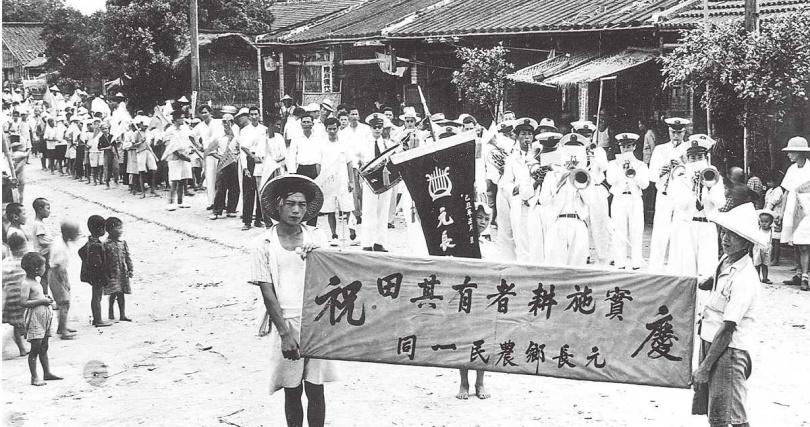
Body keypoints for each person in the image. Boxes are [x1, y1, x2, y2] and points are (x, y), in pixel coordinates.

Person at [249, 174, 336, 427]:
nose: (296, 210)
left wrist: (319, 257)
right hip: (286, 321)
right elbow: (267, 293)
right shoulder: (262, 244)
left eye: (301, 204)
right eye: (290, 204)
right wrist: (285, 334)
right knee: (292, 389)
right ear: (278, 205)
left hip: (317, 320)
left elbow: (333, 277)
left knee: (316, 388)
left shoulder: (316, 237)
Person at [692, 202, 764, 427]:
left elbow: (728, 327)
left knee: (731, 415)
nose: (726, 238)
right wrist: (707, 282)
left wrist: (704, 367)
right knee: (716, 411)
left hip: (728, 350)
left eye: (734, 235)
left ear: (747, 243)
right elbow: (716, 281)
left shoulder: (745, 278)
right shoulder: (726, 260)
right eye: (724, 232)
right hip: (711, 341)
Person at [667, 134, 725, 278]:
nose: (696, 161)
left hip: (707, 225)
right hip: (687, 225)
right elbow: (680, 204)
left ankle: (705, 299)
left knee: (708, 267)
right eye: (693, 158)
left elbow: (720, 203)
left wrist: (709, 187)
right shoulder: (681, 177)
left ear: (706, 158)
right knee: (687, 266)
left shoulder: (714, 175)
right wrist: (693, 187)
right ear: (687, 159)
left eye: (700, 157)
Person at [457, 201, 493, 400]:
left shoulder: (489, 246)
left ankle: (480, 383)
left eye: (486, 219)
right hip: (465, 296)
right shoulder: (463, 242)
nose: (483, 222)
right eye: (479, 217)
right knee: (462, 339)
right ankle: (463, 382)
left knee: (482, 341)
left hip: (483, 298)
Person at [648, 117, 691, 272]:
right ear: (669, 131)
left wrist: (683, 166)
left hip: (682, 197)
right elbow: (651, 175)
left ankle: (675, 270)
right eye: (673, 132)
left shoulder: (690, 149)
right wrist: (662, 172)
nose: (676, 136)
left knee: (679, 232)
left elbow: (694, 175)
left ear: (684, 132)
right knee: (660, 232)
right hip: (664, 194)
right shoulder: (660, 149)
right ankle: (654, 269)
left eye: (679, 133)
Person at [606, 133, 650, 270]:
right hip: (619, 198)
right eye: (623, 147)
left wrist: (633, 171)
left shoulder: (641, 165)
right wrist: (622, 168)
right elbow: (610, 180)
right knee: (619, 231)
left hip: (635, 198)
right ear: (619, 148)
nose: (626, 150)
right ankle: (620, 261)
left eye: (629, 146)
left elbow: (645, 184)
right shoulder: (613, 164)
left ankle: (636, 261)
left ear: (634, 147)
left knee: (636, 230)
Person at [20, 252, 62, 386]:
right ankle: (34, 377)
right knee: (35, 348)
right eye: (44, 266)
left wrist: (45, 298)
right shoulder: (26, 283)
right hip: (35, 318)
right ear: (36, 269)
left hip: (43, 317)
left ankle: (47, 372)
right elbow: (24, 302)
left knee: (44, 346)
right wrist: (41, 301)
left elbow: (37, 297)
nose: (46, 268)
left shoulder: (36, 282)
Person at [357, 113, 397, 252]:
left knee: (383, 210)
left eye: (380, 127)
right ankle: (367, 242)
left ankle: (380, 242)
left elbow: (395, 156)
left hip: (385, 179)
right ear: (370, 128)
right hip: (370, 181)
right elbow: (355, 160)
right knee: (369, 211)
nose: (377, 130)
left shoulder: (388, 144)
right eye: (375, 127)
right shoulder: (363, 144)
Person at [501, 118, 537, 262]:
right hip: (520, 202)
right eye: (523, 133)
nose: (527, 137)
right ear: (516, 136)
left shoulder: (539, 154)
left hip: (537, 201)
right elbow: (506, 182)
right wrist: (516, 189)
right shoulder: (512, 158)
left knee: (536, 240)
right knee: (521, 240)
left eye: (529, 134)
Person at [317, 117, 355, 246]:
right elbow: (318, 165)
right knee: (330, 210)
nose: (332, 131)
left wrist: (351, 181)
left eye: (334, 128)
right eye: (330, 129)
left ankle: (352, 234)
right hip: (328, 181)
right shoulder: (322, 145)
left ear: (338, 128)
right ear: (326, 130)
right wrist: (321, 181)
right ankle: (334, 235)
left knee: (348, 208)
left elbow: (350, 163)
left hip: (343, 180)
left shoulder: (345, 144)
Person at [779, 136, 810, 291]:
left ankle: (805, 277)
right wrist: (781, 211)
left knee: (804, 245)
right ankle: (798, 274)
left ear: (799, 152)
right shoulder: (791, 170)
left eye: (791, 152)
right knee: (796, 244)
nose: (788, 155)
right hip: (792, 209)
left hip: (806, 211)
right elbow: (785, 192)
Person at [287, 114, 324, 227]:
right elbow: (292, 156)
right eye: (304, 122)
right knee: (301, 197)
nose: (307, 124)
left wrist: (321, 172)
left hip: (314, 169)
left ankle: (312, 225)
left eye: (309, 122)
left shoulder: (318, 138)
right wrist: (292, 173)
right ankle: (300, 224)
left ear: (313, 124)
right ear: (301, 124)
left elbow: (322, 155)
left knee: (314, 197)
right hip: (301, 169)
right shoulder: (296, 138)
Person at [48, 218, 80, 339]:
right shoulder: (60, 247)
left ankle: (62, 327)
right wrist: (65, 283)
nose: (77, 235)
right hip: (57, 275)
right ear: (68, 233)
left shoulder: (59, 240)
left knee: (63, 303)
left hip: (58, 273)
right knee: (64, 303)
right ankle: (63, 331)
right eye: (76, 232)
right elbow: (58, 268)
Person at [78, 215, 111, 327]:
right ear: (101, 229)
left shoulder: (90, 242)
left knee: (96, 296)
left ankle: (96, 318)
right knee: (97, 297)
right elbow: (98, 263)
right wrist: (103, 275)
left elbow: (81, 251)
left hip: (93, 275)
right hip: (97, 275)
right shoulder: (96, 245)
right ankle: (98, 320)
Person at [239, 107, 268, 230]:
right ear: (249, 116)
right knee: (248, 192)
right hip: (250, 159)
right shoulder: (245, 130)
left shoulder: (264, 129)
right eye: (252, 114)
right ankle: (247, 221)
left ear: (259, 115)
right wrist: (245, 168)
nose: (254, 116)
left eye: (256, 114)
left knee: (261, 190)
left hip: (261, 160)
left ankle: (259, 219)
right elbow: (243, 150)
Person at [209, 114, 241, 220]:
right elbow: (211, 151)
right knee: (220, 187)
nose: (227, 124)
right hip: (223, 163)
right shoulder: (218, 136)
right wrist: (221, 157)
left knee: (234, 187)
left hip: (234, 163)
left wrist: (236, 157)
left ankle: (231, 209)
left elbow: (242, 149)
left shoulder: (237, 137)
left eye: (229, 122)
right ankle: (217, 211)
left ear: (232, 123)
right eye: (224, 122)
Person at [161, 111, 194, 211]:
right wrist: (182, 156)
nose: (182, 120)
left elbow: (188, 141)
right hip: (175, 158)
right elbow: (171, 147)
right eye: (180, 118)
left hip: (185, 156)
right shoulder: (170, 131)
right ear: (175, 120)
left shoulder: (184, 129)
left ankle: (180, 201)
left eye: (183, 118)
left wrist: (189, 151)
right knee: (175, 181)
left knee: (184, 180)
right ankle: (170, 202)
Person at [3, 233, 29, 356]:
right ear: (22, 248)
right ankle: (23, 343)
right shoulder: (25, 263)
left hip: (9, 299)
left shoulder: (5, 263)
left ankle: (21, 348)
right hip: (21, 298)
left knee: (16, 324)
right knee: (22, 322)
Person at [103, 217, 132, 321]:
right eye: (118, 228)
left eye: (121, 228)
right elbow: (104, 260)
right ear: (110, 230)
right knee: (113, 292)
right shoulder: (105, 244)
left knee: (121, 293)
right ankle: (111, 310)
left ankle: (122, 314)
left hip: (122, 273)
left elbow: (127, 257)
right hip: (112, 273)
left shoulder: (122, 243)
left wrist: (130, 269)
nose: (121, 230)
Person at [31, 198, 54, 294]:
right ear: (40, 209)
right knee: (45, 278)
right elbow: (41, 241)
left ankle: (44, 296)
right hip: (44, 255)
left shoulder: (38, 223)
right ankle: (45, 296)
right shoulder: (39, 225)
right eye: (47, 208)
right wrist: (54, 243)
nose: (49, 211)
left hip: (43, 254)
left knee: (45, 277)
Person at [764, 171, 785, 265]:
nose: (768, 183)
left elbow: (772, 203)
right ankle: (770, 257)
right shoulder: (770, 190)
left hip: (776, 216)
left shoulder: (779, 191)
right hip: (768, 215)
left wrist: (766, 211)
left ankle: (776, 259)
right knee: (770, 238)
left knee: (776, 239)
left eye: (770, 181)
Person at [753, 209, 775, 284]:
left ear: (770, 223)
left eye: (766, 222)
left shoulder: (771, 231)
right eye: (762, 222)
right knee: (757, 264)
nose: (764, 224)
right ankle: (757, 277)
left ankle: (765, 278)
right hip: (758, 248)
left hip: (767, 249)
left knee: (765, 265)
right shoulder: (758, 229)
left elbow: (773, 240)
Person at [98, 122, 119, 189]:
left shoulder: (112, 136)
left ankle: (116, 181)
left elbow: (115, 146)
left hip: (113, 152)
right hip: (106, 153)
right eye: (103, 129)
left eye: (106, 128)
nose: (105, 130)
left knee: (116, 167)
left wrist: (117, 154)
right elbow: (99, 148)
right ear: (101, 130)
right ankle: (107, 183)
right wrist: (107, 148)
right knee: (107, 168)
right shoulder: (101, 138)